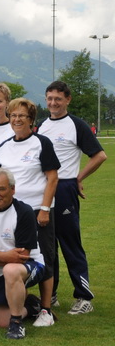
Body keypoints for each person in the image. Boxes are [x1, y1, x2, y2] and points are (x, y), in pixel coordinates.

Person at [37, 81, 107, 314]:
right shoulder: (42, 125)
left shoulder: (76, 125)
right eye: (49, 98)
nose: (53, 103)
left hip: (65, 188)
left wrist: (78, 177)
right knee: (47, 245)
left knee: (70, 243)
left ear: (67, 100)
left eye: (58, 98)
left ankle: (84, 297)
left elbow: (99, 155)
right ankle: (51, 294)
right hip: (44, 188)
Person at [0, 97, 60, 326]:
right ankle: (21, 303)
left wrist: (44, 209)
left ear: (31, 119)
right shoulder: (4, 147)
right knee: (17, 257)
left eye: (22, 116)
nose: (17, 119)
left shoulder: (42, 143)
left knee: (45, 258)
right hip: (13, 213)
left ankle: (46, 310)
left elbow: (52, 178)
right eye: (13, 115)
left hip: (37, 211)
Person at [0, 168, 46, 339]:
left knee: (11, 270)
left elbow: (22, 257)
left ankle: (16, 324)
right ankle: (32, 305)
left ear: (12, 189)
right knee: (0, 321)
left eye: (1, 189)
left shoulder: (24, 211)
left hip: (30, 265)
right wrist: (5, 257)